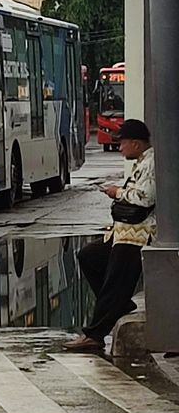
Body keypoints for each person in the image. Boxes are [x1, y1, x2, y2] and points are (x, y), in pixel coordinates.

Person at [65, 118, 156, 351]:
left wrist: (117, 192)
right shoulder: (143, 161)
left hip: (140, 234)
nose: (119, 148)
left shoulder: (151, 163)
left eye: (122, 143)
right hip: (125, 231)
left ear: (135, 143)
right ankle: (120, 305)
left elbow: (145, 197)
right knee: (89, 256)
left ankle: (95, 334)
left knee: (117, 279)